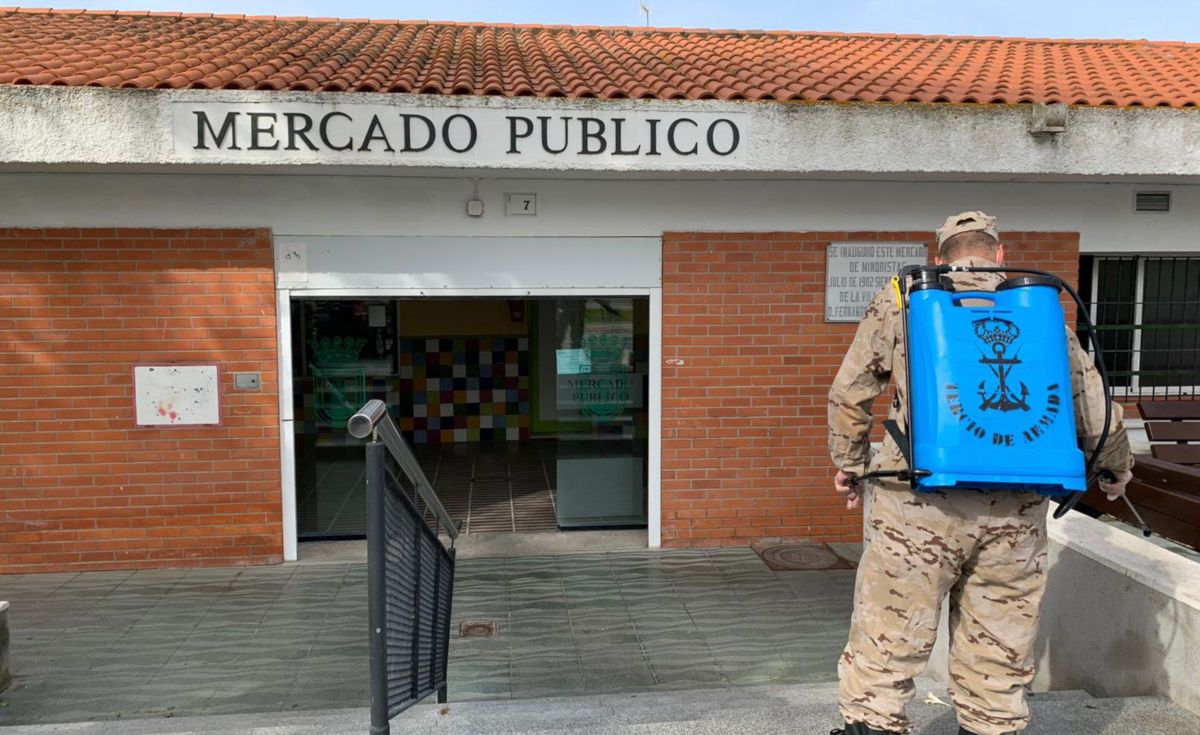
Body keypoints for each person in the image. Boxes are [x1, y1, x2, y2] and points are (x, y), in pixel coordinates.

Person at [826, 211, 1134, 735]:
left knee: (890, 634)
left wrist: (849, 466)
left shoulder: (906, 303)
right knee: (999, 646)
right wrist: (1114, 471)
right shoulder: (1036, 313)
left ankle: (872, 725)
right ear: (998, 253)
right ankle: (990, 723)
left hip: (916, 504)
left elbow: (849, 394)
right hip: (1016, 508)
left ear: (940, 257)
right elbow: (1097, 413)